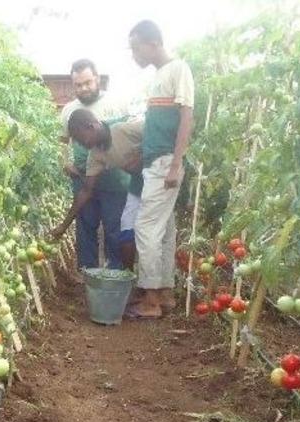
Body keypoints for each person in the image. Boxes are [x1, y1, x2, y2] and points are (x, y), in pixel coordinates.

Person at [126, 20, 195, 318]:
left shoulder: (179, 69)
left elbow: (186, 118)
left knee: (146, 227)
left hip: (165, 162)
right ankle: (164, 294)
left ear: (153, 43)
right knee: (164, 229)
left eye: (135, 47)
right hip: (157, 161)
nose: (134, 54)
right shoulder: (159, 76)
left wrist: (175, 164)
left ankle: (151, 300)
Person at [49, 109, 144, 271]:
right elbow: (86, 192)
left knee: (146, 233)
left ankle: (143, 283)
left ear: (91, 126)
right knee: (127, 232)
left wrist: (141, 154)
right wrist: (64, 226)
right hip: (138, 186)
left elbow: (158, 134)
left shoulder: (123, 129)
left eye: (80, 138)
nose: (80, 144)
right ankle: (125, 278)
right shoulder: (95, 155)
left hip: (158, 179)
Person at [58, 59, 129, 272]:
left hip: (115, 179)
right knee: (85, 226)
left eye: (87, 82)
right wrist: (65, 162)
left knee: (113, 227)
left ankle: (114, 272)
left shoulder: (116, 102)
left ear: (97, 79)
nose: (83, 88)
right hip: (82, 176)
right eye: (78, 85)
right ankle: (87, 271)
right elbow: (62, 142)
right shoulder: (69, 110)